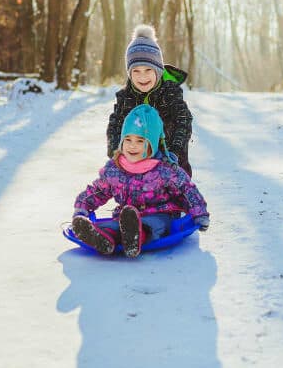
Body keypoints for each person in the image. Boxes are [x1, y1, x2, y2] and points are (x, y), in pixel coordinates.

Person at [72, 104, 209, 258]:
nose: (132, 146)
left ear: (152, 144)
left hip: (160, 214)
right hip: (126, 217)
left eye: (140, 141)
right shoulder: (115, 168)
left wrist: (199, 214)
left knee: (155, 224)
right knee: (113, 225)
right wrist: (82, 207)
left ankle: (135, 238)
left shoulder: (164, 169)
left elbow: (187, 191)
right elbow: (97, 191)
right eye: (128, 139)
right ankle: (104, 239)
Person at [107, 24, 193, 177]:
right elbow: (115, 124)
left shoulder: (170, 93)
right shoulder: (125, 97)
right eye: (136, 71)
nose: (142, 77)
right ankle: (134, 198)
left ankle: (175, 196)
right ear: (130, 73)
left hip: (169, 161)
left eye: (148, 70)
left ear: (158, 71)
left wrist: (175, 152)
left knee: (170, 190)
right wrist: (115, 152)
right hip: (136, 161)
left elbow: (183, 121)